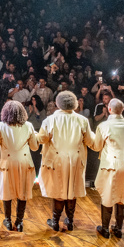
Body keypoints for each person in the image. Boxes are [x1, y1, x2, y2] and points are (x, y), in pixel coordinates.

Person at [37, 91, 92, 232]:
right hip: (76, 160)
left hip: (56, 160)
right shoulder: (82, 120)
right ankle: (70, 221)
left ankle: (55, 221)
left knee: (58, 191)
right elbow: (90, 141)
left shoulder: (50, 120)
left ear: (58, 103)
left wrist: (31, 133)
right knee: (71, 190)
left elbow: (42, 139)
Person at [0, 101, 39, 232]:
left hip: (7, 163)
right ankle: (19, 222)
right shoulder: (28, 126)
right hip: (24, 163)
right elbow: (34, 147)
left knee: (7, 192)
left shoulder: (0, 126)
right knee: (23, 192)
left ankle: (8, 220)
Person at [90, 98, 124, 238]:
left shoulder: (104, 126)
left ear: (109, 109)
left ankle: (105, 228)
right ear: (122, 110)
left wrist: (90, 138)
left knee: (108, 195)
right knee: (122, 195)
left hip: (111, 164)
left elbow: (97, 146)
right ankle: (118, 228)